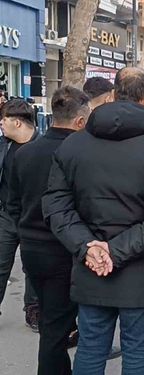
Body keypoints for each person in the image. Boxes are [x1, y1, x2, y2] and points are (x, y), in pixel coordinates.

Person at [42, 67, 144, 374]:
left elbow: (56, 204)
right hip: (143, 274)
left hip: (92, 268)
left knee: (91, 350)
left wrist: (89, 248)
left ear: (114, 96)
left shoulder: (73, 146)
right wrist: (116, 251)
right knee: (139, 355)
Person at [7, 87, 90, 375]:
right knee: (55, 328)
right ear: (80, 121)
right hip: (62, 251)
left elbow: (12, 202)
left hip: (32, 249)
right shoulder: (79, 153)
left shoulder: (24, 153)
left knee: (54, 322)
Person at [0, 99, 40, 331]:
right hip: (6, 216)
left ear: (17, 122)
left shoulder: (43, 147)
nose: (1, 124)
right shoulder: (4, 146)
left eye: (3, 120)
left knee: (32, 267)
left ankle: (33, 311)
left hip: (32, 219)